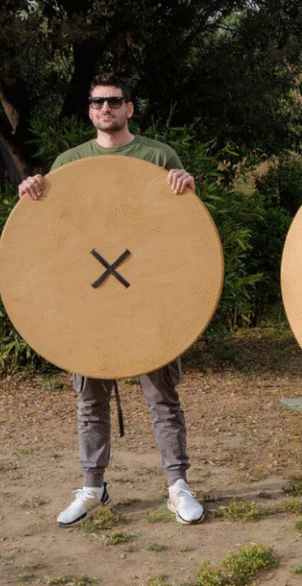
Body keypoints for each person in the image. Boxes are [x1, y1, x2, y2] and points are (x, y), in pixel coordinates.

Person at [17, 72, 204, 527]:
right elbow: (56, 230)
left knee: (162, 396)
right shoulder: (70, 162)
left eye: (115, 101)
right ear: (89, 110)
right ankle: (92, 487)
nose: (106, 108)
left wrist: (187, 187)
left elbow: (180, 227)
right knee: (90, 400)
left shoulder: (158, 156)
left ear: (129, 108)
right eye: (98, 102)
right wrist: (31, 195)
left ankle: (177, 485)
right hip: (91, 302)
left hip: (149, 295)